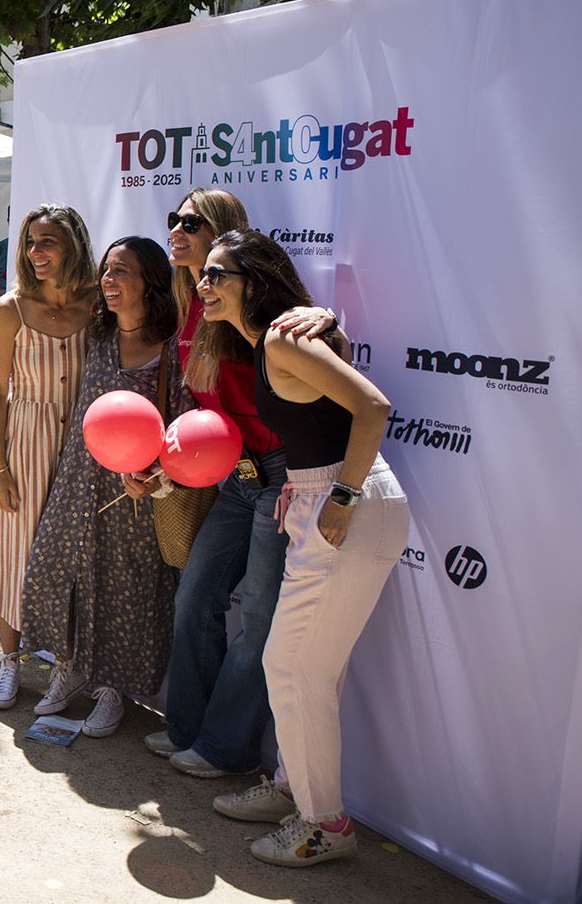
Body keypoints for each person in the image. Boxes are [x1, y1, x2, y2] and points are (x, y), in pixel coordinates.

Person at [195, 229, 409, 868]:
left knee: (291, 668)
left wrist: (339, 497)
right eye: (202, 274)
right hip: (325, 502)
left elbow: (372, 407)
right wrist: (306, 487)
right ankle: (295, 787)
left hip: (350, 506)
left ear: (253, 284)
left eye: (216, 274)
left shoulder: (286, 339)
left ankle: (324, 823)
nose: (203, 285)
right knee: (308, 670)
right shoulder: (273, 341)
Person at [145, 188, 341, 779]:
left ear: (224, 236)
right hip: (236, 472)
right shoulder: (190, 306)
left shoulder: (251, 306)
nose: (175, 229)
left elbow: (315, 338)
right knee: (196, 595)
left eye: (190, 222)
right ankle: (187, 729)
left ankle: (223, 748)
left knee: (258, 616)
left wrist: (326, 316)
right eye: (171, 219)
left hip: (282, 474)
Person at [17, 236, 193, 733]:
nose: (108, 282)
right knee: (56, 569)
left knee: (129, 589)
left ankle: (114, 687)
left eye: (122, 272)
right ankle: (71, 668)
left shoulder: (172, 348)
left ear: (150, 283)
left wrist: (155, 478)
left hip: (134, 492)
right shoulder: (96, 337)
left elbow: (179, 422)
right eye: (107, 271)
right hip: (77, 480)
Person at [0, 204, 96, 710]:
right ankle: (10, 663)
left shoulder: (95, 304)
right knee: (14, 554)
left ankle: (66, 664)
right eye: (31, 242)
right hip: (24, 443)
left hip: (82, 447)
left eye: (48, 242)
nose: (36, 253)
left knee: (72, 560)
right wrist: (0, 466)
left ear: (73, 246)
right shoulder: (9, 309)